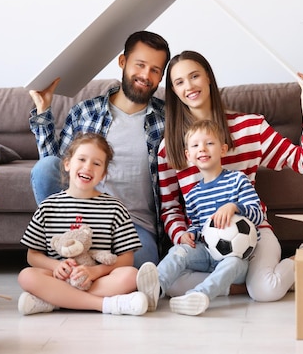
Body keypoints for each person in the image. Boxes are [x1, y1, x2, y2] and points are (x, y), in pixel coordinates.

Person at [158, 50, 303, 302]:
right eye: (179, 82)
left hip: (252, 233)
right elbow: (170, 209)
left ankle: (302, 259)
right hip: (208, 243)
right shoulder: (168, 148)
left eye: (194, 76)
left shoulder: (250, 127)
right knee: (172, 286)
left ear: (208, 78)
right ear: (173, 91)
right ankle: (246, 284)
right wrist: (181, 234)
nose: (189, 86)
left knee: (265, 292)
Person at [28, 31, 170, 269]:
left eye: (155, 70)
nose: (146, 75)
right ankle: (72, 254)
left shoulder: (168, 118)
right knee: (45, 167)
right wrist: (43, 111)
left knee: (145, 263)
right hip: (81, 219)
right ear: (123, 62)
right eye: (140, 65)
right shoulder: (85, 112)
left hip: (134, 227)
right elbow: (60, 169)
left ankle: (77, 270)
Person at [17, 132, 159, 316]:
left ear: (103, 174)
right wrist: (55, 267)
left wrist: (94, 272)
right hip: (60, 278)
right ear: (67, 164)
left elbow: (126, 259)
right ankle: (105, 305)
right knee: (26, 276)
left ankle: (54, 300)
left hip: (97, 279)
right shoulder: (48, 207)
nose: (88, 167)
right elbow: (33, 255)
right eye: (82, 159)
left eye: (97, 163)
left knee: (130, 275)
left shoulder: (114, 208)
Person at [146, 119, 264, 316]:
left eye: (209, 143)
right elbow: (198, 225)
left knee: (232, 262)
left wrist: (234, 206)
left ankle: (199, 296)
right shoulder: (193, 194)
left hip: (235, 258)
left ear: (223, 149)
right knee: (179, 251)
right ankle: (152, 290)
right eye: (195, 145)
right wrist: (188, 235)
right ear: (189, 156)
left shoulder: (237, 180)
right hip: (206, 252)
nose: (202, 149)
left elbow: (258, 214)